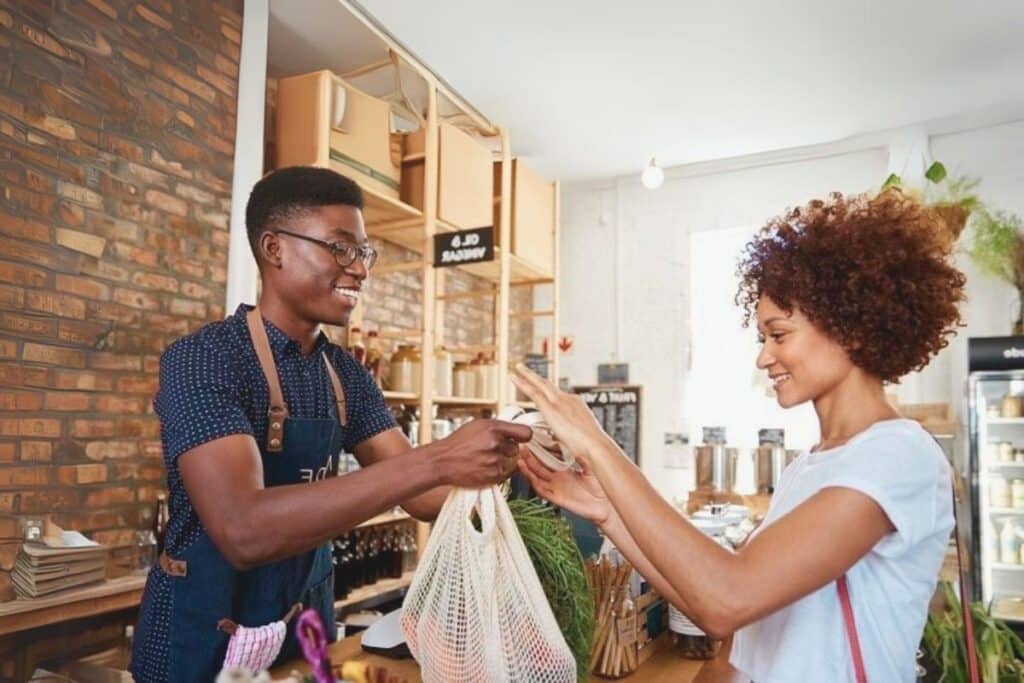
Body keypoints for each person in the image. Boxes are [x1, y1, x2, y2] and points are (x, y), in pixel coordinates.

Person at [513, 189, 966, 682]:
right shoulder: (810, 466)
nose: (764, 357)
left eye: (779, 334)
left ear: (849, 329)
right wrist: (608, 513)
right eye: (761, 338)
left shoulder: (898, 456)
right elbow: (708, 600)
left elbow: (729, 595)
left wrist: (599, 446)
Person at [130, 167, 530, 682]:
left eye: (364, 253)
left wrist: (510, 472)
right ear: (274, 248)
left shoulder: (344, 376)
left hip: (301, 627)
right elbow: (242, 529)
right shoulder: (205, 359)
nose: (360, 270)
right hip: (200, 635)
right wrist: (438, 459)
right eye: (341, 248)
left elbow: (419, 493)